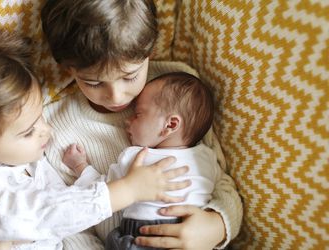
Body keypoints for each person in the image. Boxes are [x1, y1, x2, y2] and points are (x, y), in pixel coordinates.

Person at [0, 30, 190, 250]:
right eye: (29, 131)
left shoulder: (26, 162)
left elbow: (71, 221)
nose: (47, 130)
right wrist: (125, 191)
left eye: (41, 116)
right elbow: (40, 213)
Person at [41, 0, 243, 249]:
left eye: (130, 76)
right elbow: (70, 224)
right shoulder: (52, 127)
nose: (116, 96)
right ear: (69, 69)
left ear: (149, 53)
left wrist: (217, 225)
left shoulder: (178, 87)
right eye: (93, 83)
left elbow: (217, 178)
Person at [62, 72, 225, 250]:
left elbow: (104, 193)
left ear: (170, 125)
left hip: (142, 237)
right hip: (192, 237)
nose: (127, 120)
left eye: (138, 114)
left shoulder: (137, 158)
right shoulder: (208, 158)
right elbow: (221, 189)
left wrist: (80, 167)